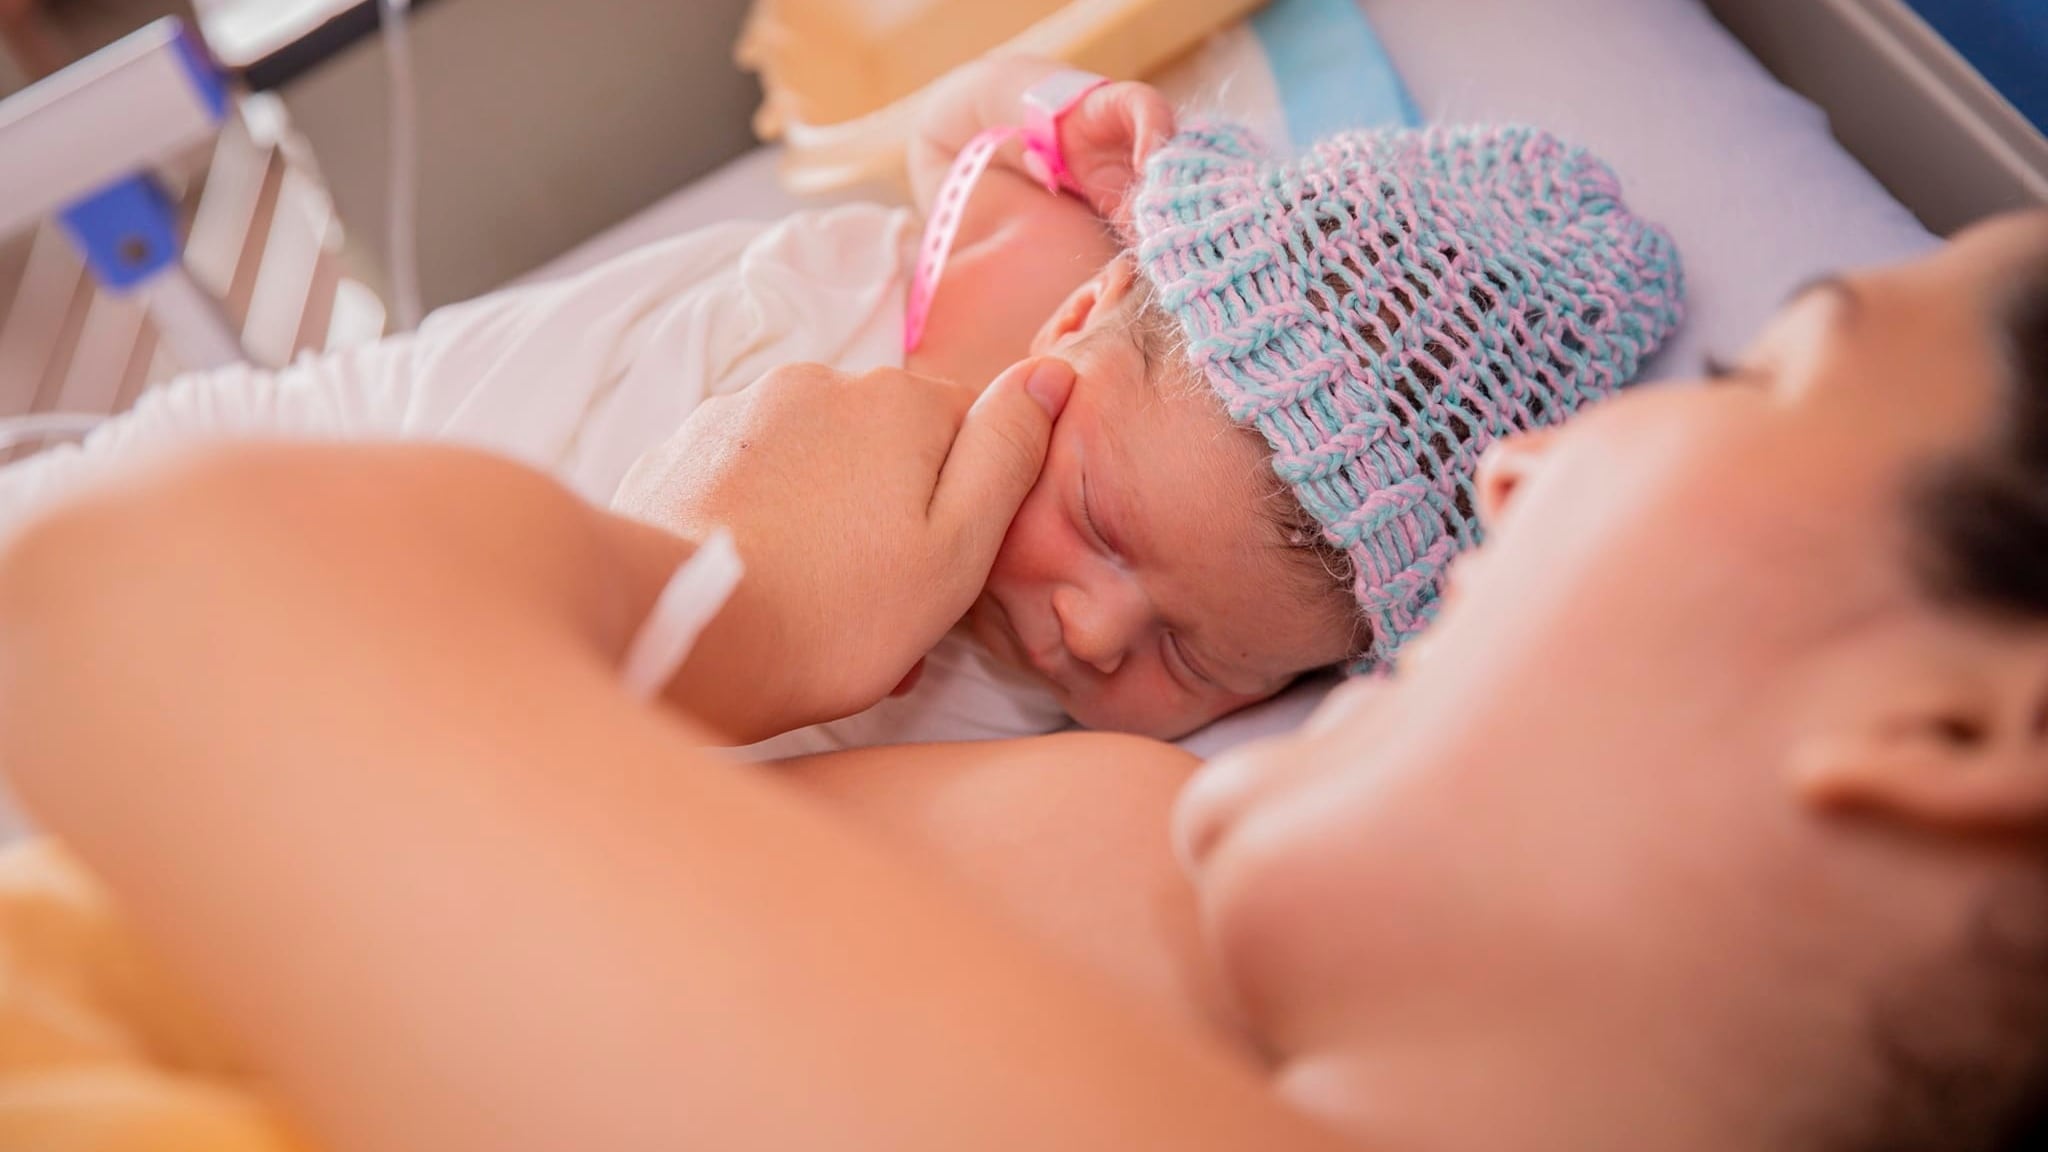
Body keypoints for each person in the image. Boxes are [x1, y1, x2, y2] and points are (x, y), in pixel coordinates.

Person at [2, 209, 2045, 1152]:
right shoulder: (1131, 862)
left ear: (1968, 734)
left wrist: (722, 595)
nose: (1515, 470)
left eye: (1777, 375)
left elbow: (150, 601)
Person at [0, 57, 1682, 748]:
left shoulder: (1052, 764)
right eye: (1100, 523)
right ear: (1088, 309)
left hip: (399, 696)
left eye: (1204, 659)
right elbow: (965, 151)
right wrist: (1054, 135)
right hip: (297, 472)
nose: (1098, 632)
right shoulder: (980, 299)